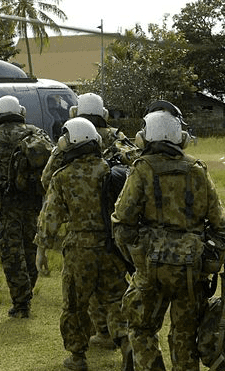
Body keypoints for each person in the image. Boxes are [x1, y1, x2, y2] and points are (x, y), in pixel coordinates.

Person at [111, 101, 225, 371]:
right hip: (191, 271)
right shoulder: (197, 169)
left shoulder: (141, 168)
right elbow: (220, 221)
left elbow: (122, 221)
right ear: (179, 136)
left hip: (151, 270)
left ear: (145, 136)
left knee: (141, 330)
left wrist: (138, 257)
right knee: (184, 338)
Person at [40, 92, 139, 349]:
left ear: (74, 113)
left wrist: (42, 245)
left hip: (79, 241)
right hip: (111, 234)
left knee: (77, 298)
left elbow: (46, 181)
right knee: (115, 291)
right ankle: (121, 339)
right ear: (103, 114)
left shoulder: (67, 146)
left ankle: (85, 346)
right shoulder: (116, 143)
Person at [0, 95, 51, 318]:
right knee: (30, 246)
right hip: (33, 199)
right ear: (21, 111)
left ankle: (21, 302)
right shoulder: (35, 132)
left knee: (11, 250)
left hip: (6, 202)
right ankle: (27, 291)